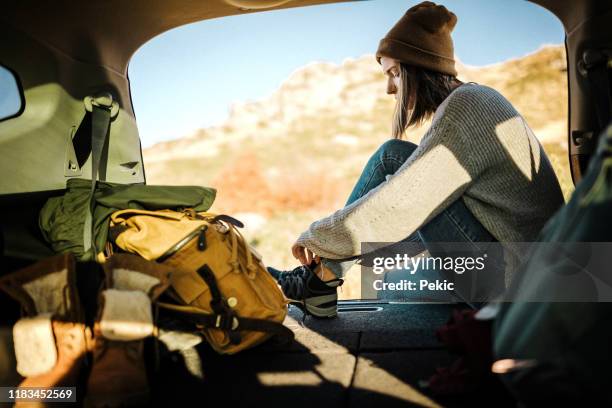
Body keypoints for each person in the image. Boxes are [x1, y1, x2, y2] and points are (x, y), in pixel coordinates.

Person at [268, 1, 564, 317]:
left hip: (517, 286)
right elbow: (412, 220)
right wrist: (346, 248)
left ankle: (319, 281)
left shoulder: (467, 107)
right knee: (390, 283)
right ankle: (321, 283)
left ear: (419, 67)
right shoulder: (472, 102)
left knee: (392, 157)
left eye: (394, 73)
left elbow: (403, 206)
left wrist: (319, 237)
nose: (389, 89)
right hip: (526, 272)